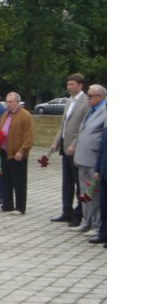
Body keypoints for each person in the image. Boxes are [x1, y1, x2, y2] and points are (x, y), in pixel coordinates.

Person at [50, 73, 90, 226]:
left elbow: (83, 127)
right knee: (66, 182)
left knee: (78, 183)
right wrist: (56, 142)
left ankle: (78, 214)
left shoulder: (85, 102)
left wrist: (74, 143)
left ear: (80, 85)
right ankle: (66, 211)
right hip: (65, 147)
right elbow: (64, 125)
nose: (69, 87)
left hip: (76, 149)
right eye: (68, 84)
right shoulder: (69, 101)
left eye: (72, 84)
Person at [72, 85, 107, 238]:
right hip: (82, 157)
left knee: (95, 193)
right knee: (83, 192)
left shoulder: (105, 111)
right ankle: (86, 221)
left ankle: (97, 224)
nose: (88, 98)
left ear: (100, 96)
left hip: (94, 158)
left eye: (90, 96)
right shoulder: (90, 110)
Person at [0, 92, 34, 215]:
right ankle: (7, 204)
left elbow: (28, 136)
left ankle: (20, 207)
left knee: (19, 181)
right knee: (6, 180)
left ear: (17, 102)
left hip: (17, 154)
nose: (8, 104)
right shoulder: (5, 114)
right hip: (5, 151)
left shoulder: (25, 115)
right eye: (7, 102)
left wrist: (22, 150)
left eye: (10, 102)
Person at [90, 126, 107, 246]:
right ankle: (103, 234)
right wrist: (97, 170)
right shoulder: (107, 129)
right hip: (104, 172)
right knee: (104, 206)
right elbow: (101, 151)